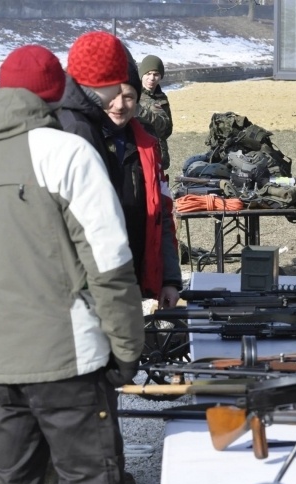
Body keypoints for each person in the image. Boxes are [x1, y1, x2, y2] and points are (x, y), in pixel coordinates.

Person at [0, 45, 147, 484]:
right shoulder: (69, 153)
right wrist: (127, 350)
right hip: (70, 363)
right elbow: (111, 267)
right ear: (56, 94)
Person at [104, 46, 182, 307]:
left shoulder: (147, 148)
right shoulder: (84, 142)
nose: (120, 105)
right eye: (113, 96)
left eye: (129, 97)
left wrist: (170, 278)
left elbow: (162, 215)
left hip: (135, 272)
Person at [57, 30, 128, 196]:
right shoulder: (78, 128)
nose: (119, 90)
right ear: (104, 79)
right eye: (118, 81)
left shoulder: (73, 114)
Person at [137, 54, 173, 172]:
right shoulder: (133, 97)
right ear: (141, 75)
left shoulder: (162, 98)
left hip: (159, 157)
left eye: (156, 74)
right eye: (148, 74)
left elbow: (167, 130)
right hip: (140, 156)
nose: (151, 78)